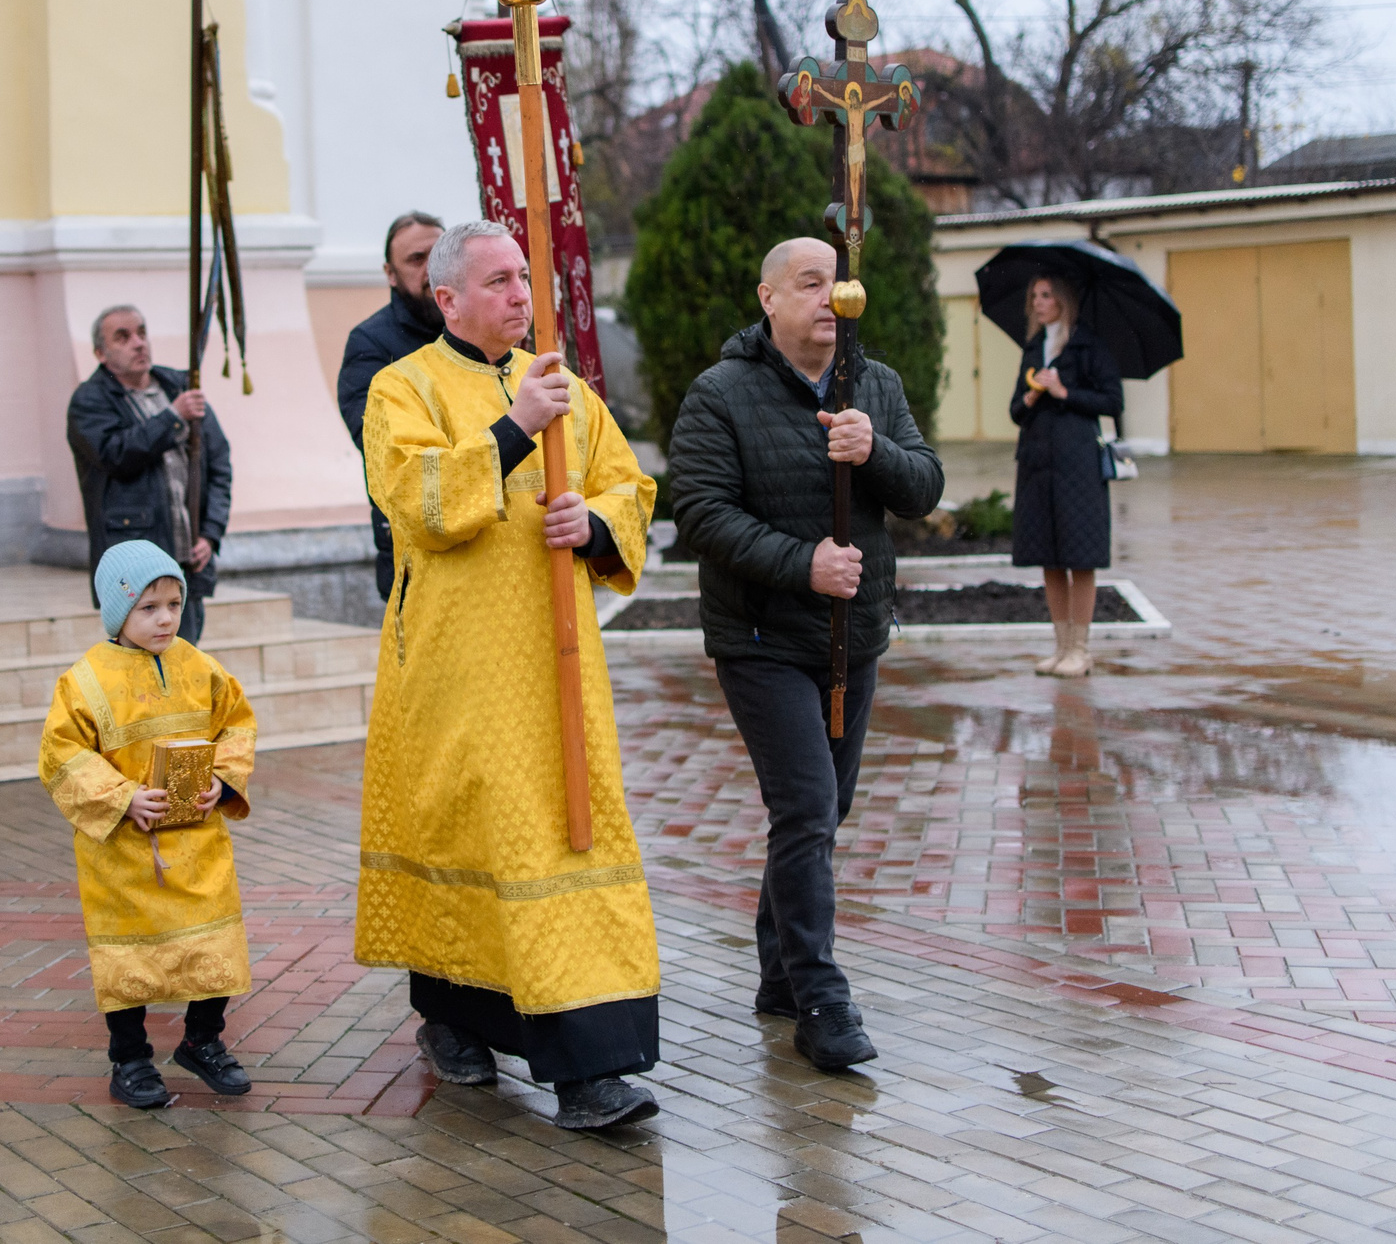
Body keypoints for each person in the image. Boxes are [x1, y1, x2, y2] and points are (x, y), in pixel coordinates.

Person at [357, 219, 662, 1133]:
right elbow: (418, 500)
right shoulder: (400, 387)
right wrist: (515, 428)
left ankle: (589, 1069)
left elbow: (629, 484)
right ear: (445, 299)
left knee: (569, 834)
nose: (519, 296)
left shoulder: (567, 387)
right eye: (496, 281)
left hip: (559, 667)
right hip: (456, 666)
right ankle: (454, 1014)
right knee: (469, 833)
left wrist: (596, 523)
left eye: (523, 279)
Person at [666, 237, 944, 1069]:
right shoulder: (721, 393)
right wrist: (805, 565)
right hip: (760, 639)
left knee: (824, 811)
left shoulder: (876, 386)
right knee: (807, 808)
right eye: (810, 282)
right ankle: (821, 997)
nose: (830, 297)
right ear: (769, 297)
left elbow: (925, 487)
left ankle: (779, 971)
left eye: (840, 282)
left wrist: (877, 451)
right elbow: (701, 515)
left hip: (852, 639)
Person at [37, 539, 260, 1109]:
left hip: (199, 838)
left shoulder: (199, 665)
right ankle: (131, 1059)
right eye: (148, 607)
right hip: (123, 850)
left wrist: (224, 781)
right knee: (126, 958)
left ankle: (203, 1041)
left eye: (173, 603)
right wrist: (122, 798)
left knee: (215, 947)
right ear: (118, 613)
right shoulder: (83, 680)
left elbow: (236, 722)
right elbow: (61, 754)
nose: (165, 619)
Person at [67, 306, 230, 646]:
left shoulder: (178, 386)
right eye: (123, 337)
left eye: (142, 333)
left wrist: (211, 534)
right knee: (143, 672)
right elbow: (115, 454)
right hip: (135, 570)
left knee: (184, 664)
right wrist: (172, 418)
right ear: (101, 352)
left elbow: (218, 463)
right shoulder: (89, 401)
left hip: (187, 561)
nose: (138, 344)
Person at [1011, 273, 1123, 677]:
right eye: (1033, 296)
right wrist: (1029, 397)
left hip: (1078, 466)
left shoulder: (1087, 344)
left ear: (1062, 300)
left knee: (1080, 557)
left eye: (1045, 295)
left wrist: (1063, 393)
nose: (1037, 303)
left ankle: (1081, 649)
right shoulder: (1032, 348)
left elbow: (1112, 400)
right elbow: (1015, 411)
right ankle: (1060, 648)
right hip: (1038, 465)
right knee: (1050, 557)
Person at [334, 210, 445, 599]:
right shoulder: (370, 344)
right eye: (416, 260)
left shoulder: (482, 331)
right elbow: (378, 439)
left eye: (441, 253)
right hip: (411, 543)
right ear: (390, 273)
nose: (432, 269)